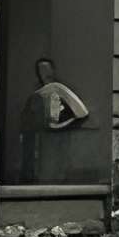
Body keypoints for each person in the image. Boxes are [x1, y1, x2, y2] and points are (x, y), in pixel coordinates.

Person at [17, 55, 89, 185]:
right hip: (39, 140)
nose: (44, 73)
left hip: (58, 139)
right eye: (41, 70)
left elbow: (81, 113)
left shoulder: (59, 89)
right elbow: (27, 118)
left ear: (53, 70)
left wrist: (62, 126)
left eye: (47, 70)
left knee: (57, 168)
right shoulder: (36, 94)